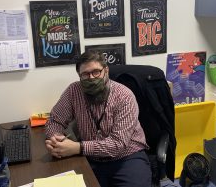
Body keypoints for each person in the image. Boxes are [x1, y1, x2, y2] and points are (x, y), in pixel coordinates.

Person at [45, 50, 151, 187]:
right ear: (79, 75)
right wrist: (56, 140)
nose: (91, 78)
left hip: (126, 157)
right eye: (85, 74)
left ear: (106, 70)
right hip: (91, 158)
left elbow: (118, 144)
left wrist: (78, 148)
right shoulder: (73, 91)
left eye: (96, 72)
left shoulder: (124, 96)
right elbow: (54, 121)